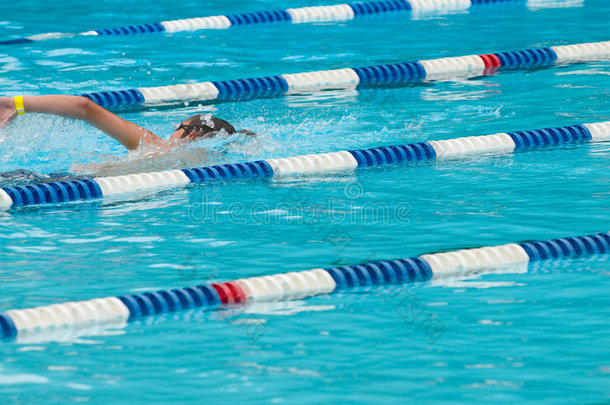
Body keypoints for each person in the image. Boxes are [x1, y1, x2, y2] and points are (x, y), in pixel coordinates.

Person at [0, 95, 253, 179]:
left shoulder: (159, 146)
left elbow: (85, 107)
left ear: (192, 134)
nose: (173, 131)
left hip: (61, 182)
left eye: (180, 126)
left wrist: (14, 104)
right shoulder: (203, 165)